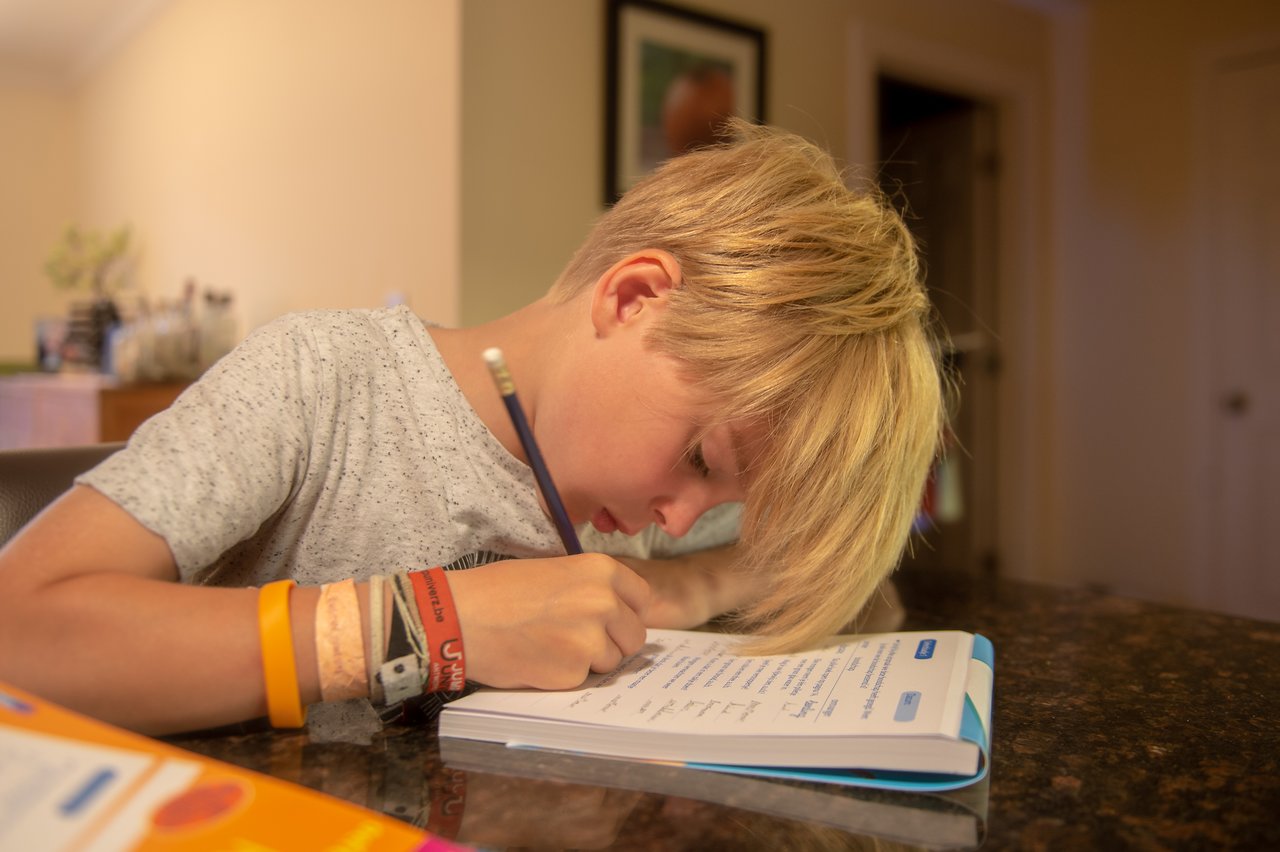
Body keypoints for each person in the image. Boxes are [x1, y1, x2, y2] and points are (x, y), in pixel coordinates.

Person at [0, 122, 945, 736]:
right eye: (701, 457)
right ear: (635, 297)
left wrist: (688, 583)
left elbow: (828, 564)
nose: (679, 507)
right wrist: (431, 625)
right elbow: (21, 633)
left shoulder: (654, 504)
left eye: (721, 496)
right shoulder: (324, 383)